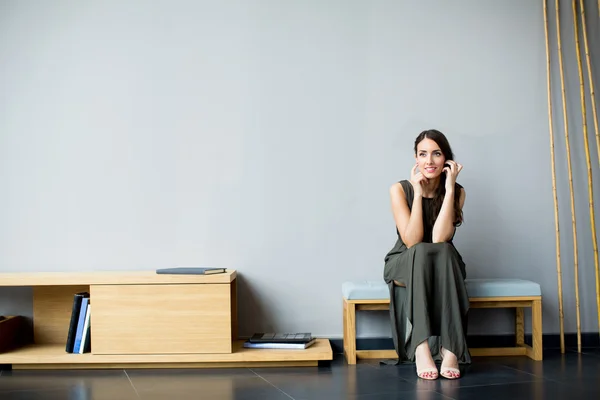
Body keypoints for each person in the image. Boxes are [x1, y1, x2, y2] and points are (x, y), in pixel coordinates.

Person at [383, 129, 470, 380]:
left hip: (443, 263)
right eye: (423, 154)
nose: (429, 161)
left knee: (441, 250)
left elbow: (441, 238)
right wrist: (418, 194)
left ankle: (450, 348)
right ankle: (421, 347)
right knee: (420, 250)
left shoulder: (458, 191)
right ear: (416, 159)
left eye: (436, 154)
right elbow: (412, 241)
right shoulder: (399, 190)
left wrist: (450, 189)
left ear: (446, 160)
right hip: (404, 260)